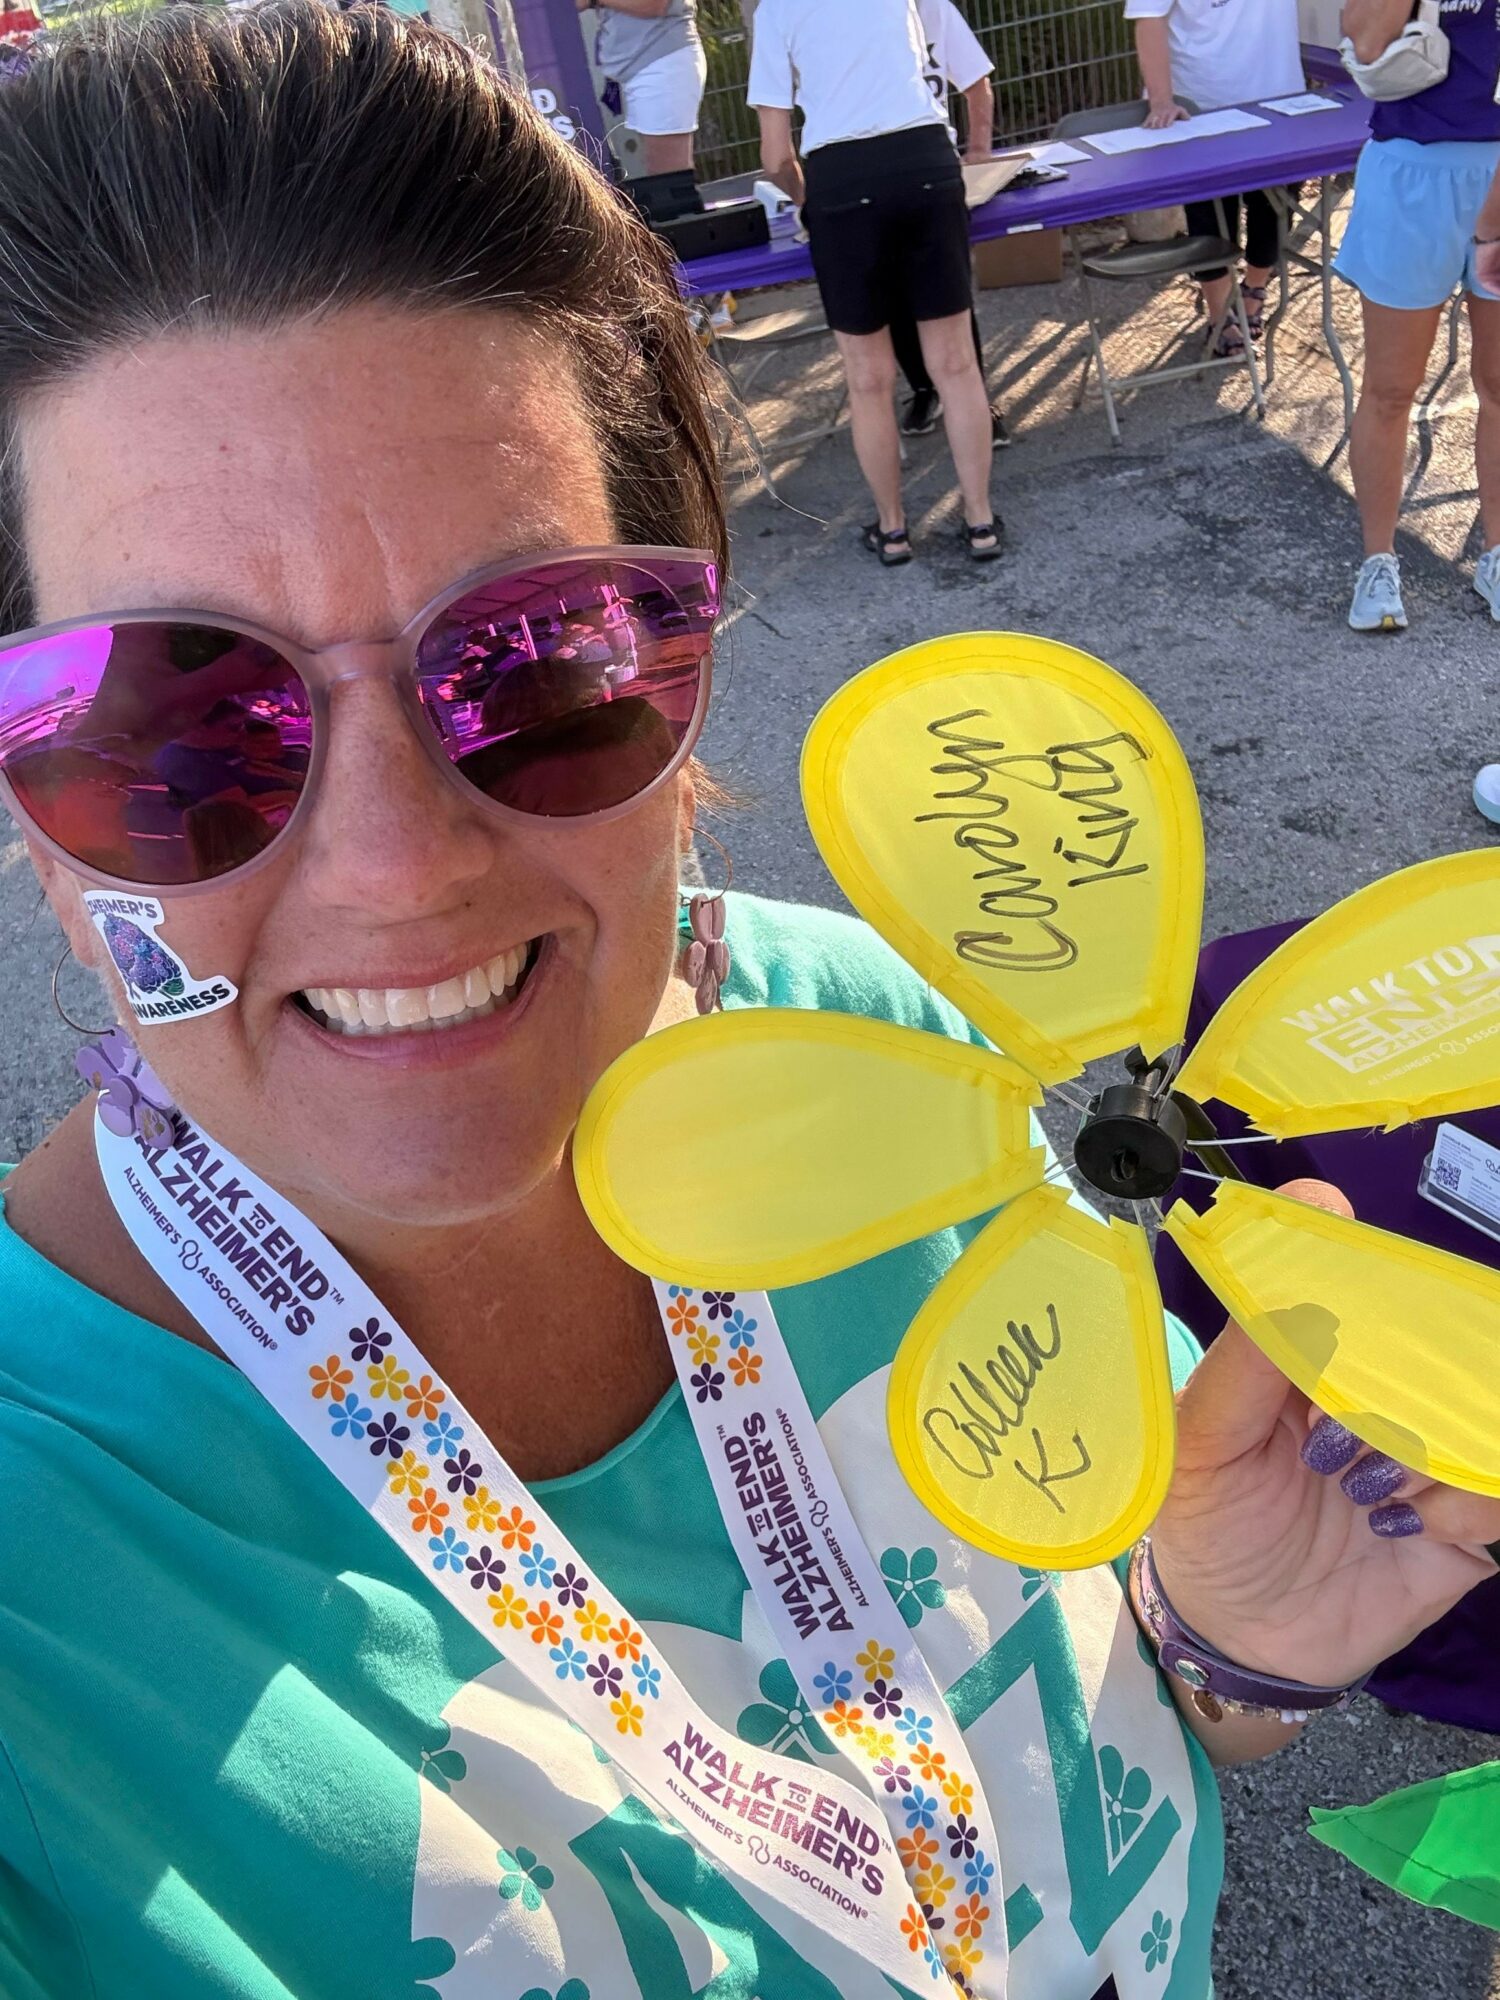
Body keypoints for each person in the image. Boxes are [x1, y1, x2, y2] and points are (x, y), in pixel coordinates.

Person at [1, 9, 1499, 1996]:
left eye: (542, 659)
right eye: (167, 721)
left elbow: (1098, 1760)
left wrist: (1227, 1649)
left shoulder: (917, 1045)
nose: (394, 868)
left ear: (694, 671)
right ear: (32, 820)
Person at [748, 0, 1002, 564]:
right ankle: (980, 520)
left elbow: (773, 157)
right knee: (956, 365)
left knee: (868, 378)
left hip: (841, 176)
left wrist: (811, 200)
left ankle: (892, 530)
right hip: (924, 162)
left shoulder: (776, 11)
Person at [1338, 0, 1500, 632]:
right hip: (1411, 170)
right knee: (1390, 387)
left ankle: (1496, 554)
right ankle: (1377, 562)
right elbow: (1367, 41)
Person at [1126, 0, 1304, 355]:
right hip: (1201, 106)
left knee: (1276, 205)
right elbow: (1148, 19)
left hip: (1281, 99)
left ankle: (1254, 291)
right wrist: (1162, 101)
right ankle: (1220, 315)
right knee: (1208, 214)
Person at [891, 0, 1010, 447]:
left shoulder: (933, 8)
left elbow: (977, 82)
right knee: (896, 297)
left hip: (936, 169)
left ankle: (976, 400)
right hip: (875, 172)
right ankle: (925, 389)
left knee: (950, 295)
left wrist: (979, 150)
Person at [579, 0, 705, 177]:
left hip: (662, 60)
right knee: (658, 170)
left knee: (668, 176)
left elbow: (654, 4)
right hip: (636, 67)